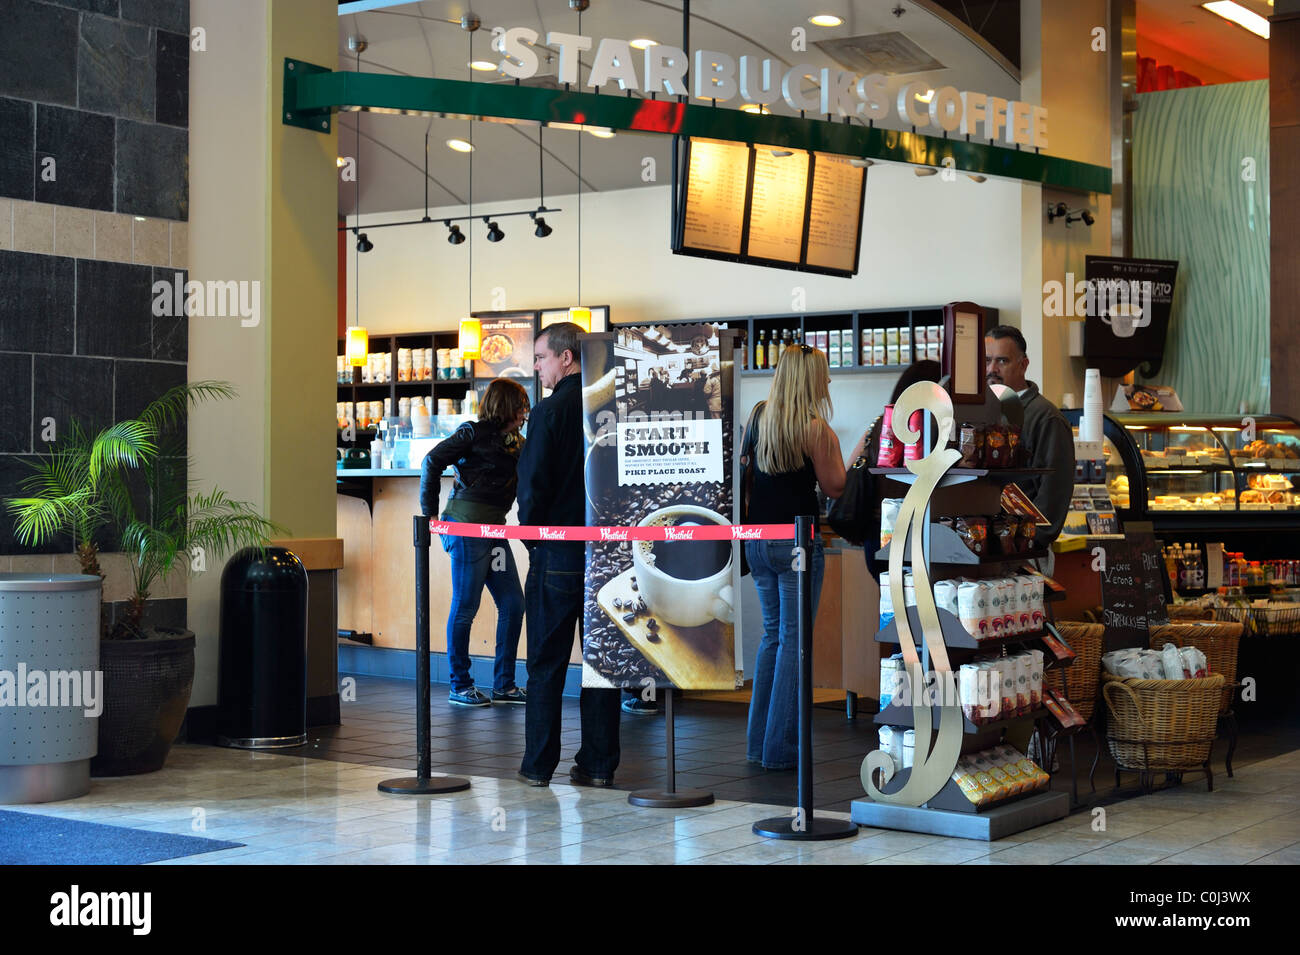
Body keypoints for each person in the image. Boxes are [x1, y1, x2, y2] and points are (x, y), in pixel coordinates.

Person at [742, 344, 867, 769]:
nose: (829, 381)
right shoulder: (816, 429)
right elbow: (837, 487)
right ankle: (782, 750)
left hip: (757, 541)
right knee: (795, 643)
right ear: (811, 381)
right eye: (824, 375)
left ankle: (759, 744)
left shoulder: (760, 416)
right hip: (796, 543)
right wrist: (861, 451)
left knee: (773, 637)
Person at [516, 322, 621, 787]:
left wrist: (535, 540)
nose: (535, 367)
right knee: (601, 665)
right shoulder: (611, 408)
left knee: (545, 663)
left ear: (566, 357)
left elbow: (531, 489)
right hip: (605, 552)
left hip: (557, 552)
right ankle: (598, 766)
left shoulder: (549, 412)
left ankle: (538, 767)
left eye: (540, 357)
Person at [419, 378, 530, 707]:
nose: (525, 412)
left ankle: (504, 685)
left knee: (512, 604)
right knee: (466, 605)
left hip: (493, 529)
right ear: (506, 407)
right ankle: (460, 684)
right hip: (465, 527)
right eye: (521, 406)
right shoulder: (472, 433)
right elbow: (431, 461)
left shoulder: (518, 443)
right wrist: (429, 516)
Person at [984, 325, 1075, 543]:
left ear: (1023, 365)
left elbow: (1053, 494)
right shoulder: (982, 414)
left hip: (1024, 551)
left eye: (1002, 361)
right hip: (985, 544)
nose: (992, 369)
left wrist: (1028, 542)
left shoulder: (1046, 418)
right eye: (987, 360)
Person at [859, 360, 942, 581]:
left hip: (877, 535)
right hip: (915, 535)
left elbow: (852, 467)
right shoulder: (932, 428)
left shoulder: (880, 425)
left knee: (890, 606)